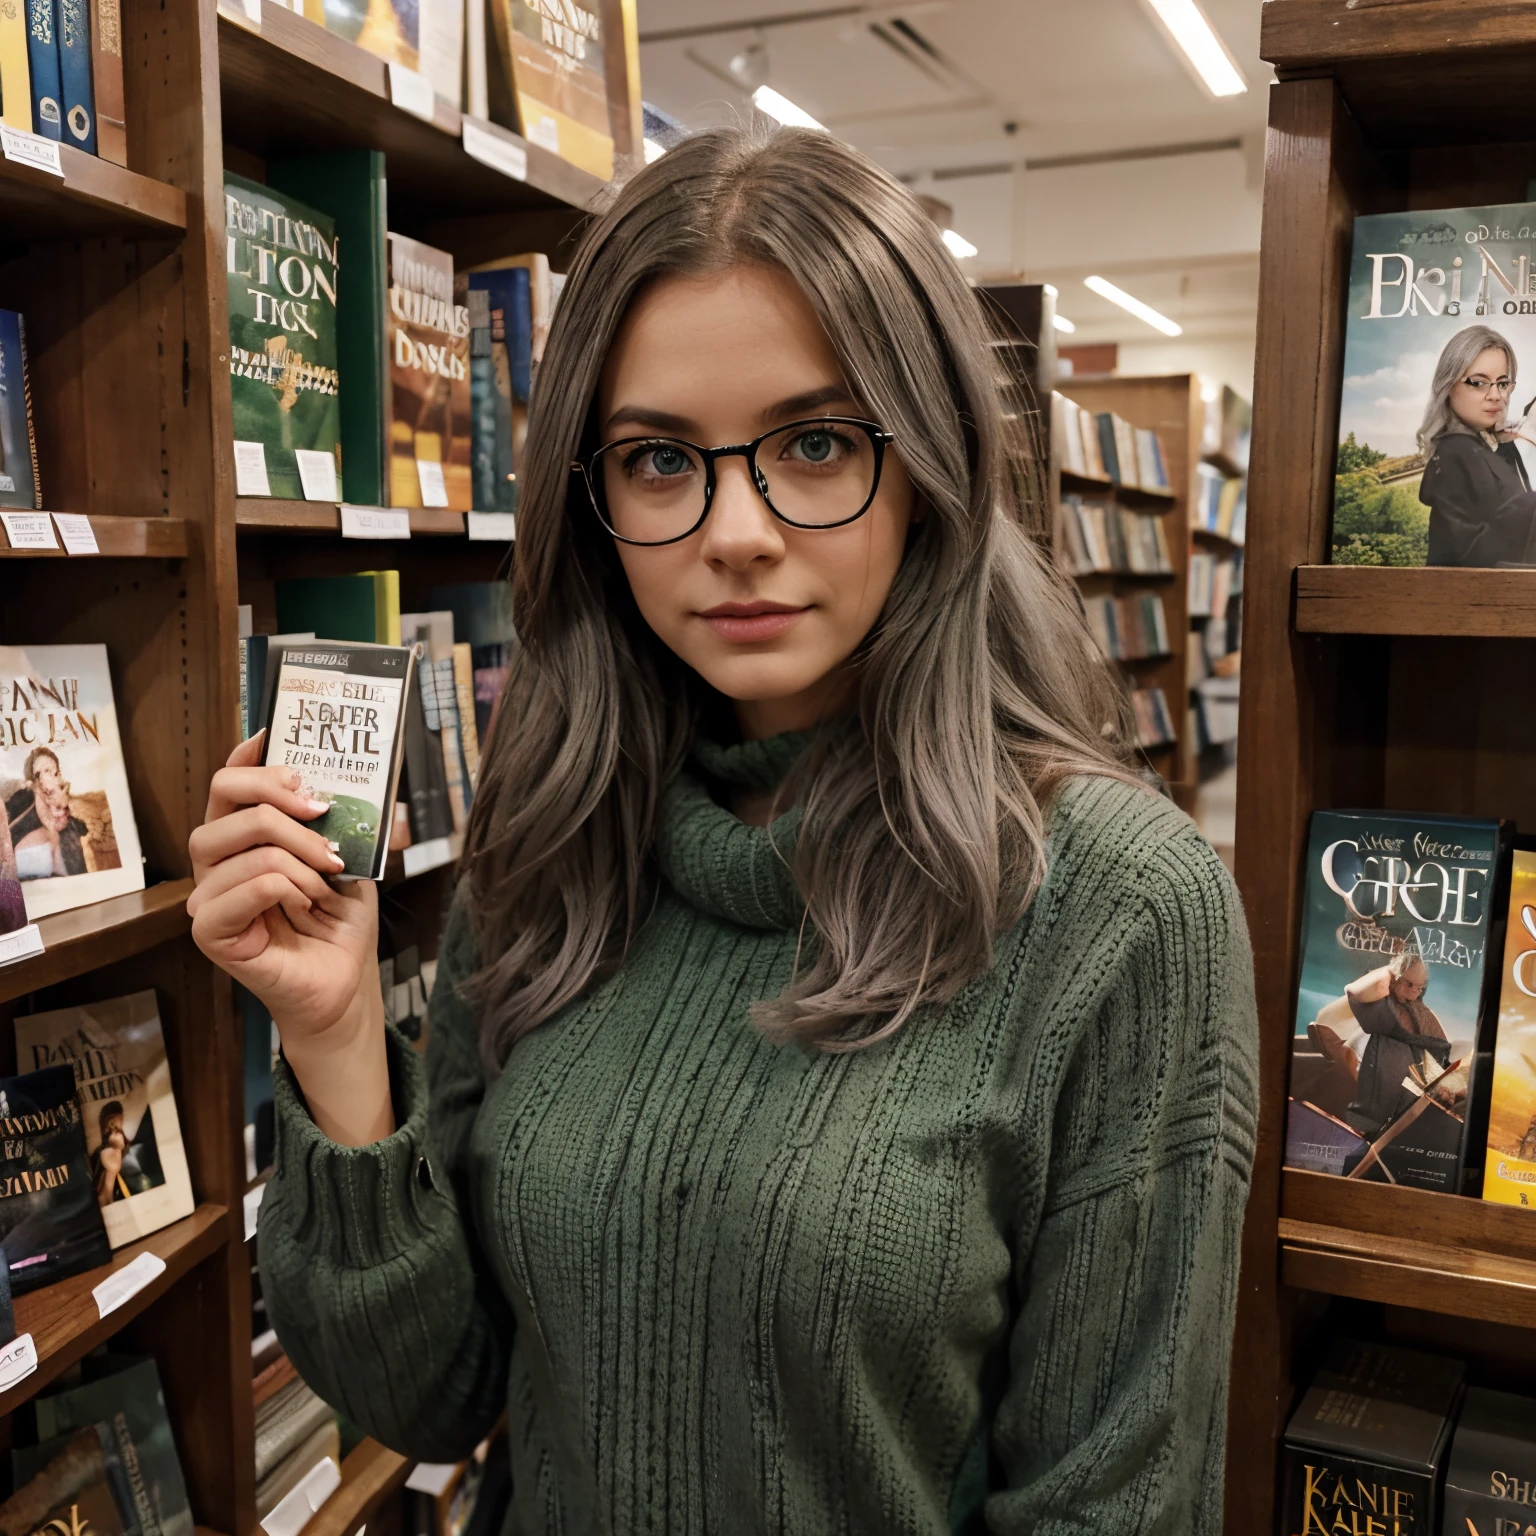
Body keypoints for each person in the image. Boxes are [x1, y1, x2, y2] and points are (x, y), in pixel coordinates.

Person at [187, 128, 1259, 1533]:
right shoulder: (553, 843)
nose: (735, 529)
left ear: (931, 463)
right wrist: (332, 1042)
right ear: (591, 499)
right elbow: (440, 1396)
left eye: (815, 444)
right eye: (656, 460)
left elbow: (1114, 1502)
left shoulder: (1121, 907)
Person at [1417, 324, 1536, 565]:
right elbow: (1469, 556)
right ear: (1449, 385)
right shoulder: (1454, 451)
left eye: (1503, 384)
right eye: (1478, 383)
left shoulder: (1498, 448)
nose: (1496, 396)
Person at [1342, 951, 1451, 1140]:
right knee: (1391, 1046)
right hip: (1377, 1087)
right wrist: (1391, 971)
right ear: (1394, 978)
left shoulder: (1423, 1013)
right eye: (1408, 984)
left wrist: (1442, 1084)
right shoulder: (1381, 1003)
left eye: (1420, 987)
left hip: (1416, 1089)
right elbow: (1353, 990)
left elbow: (1440, 1048)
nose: (1414, 991)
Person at [6, 748, 87, 879]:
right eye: (43, 772)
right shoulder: (21, 824)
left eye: (55, 773)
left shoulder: (72, 823)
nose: (50, 778)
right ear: (33, 784)